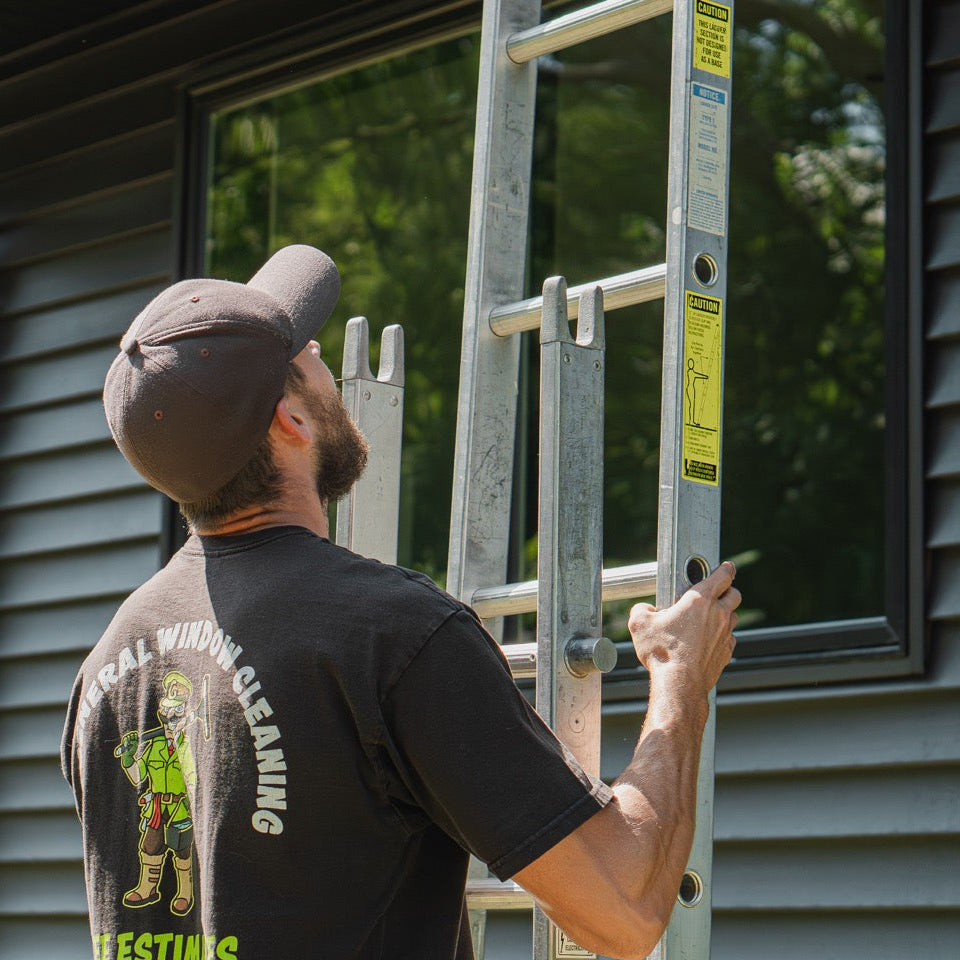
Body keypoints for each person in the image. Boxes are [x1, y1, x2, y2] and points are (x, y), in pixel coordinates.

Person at [61, 245, 740, 960]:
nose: (322, 348)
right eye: (304, 346)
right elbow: (624, 909)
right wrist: (679, 679)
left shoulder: (108, 667)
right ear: (290, 422)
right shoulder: (391, 634)